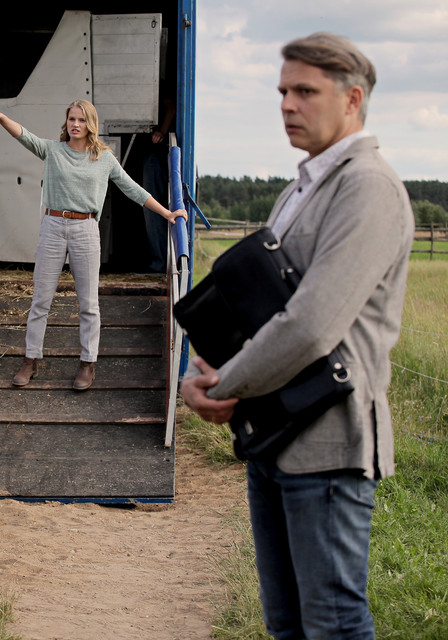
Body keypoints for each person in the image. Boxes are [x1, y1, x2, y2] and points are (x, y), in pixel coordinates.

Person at [181, 32, 414, 639]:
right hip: (275, 434)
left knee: (331, 624)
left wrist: (226, 384)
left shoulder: (368, 187)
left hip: (329, 447)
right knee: (286, 624)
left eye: (305, 91)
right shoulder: (300, 189)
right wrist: (206, 368)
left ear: (352, 99)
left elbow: (312, 324)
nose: (287, 104)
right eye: (283, 90)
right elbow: (258, 306)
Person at [0, 100, 186, 390]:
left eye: (81, 120)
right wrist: (2, 118)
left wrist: (167, 213)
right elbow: (25, 135)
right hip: (53, 226)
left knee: (88, 303)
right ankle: (30, 360)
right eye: (71, 119)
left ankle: (88, 363)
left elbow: (132, 188)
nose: (75, 124)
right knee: (40, 299)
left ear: (91, 124)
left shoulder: (103, 158)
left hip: (86, 228)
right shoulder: (53, 150)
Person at [141, 98, 177, 273]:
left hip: (157, 150)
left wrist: (162, 132)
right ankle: (160, 260)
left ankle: (160, 262)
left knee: (153, 206)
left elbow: (171, 106)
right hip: (153, 150)